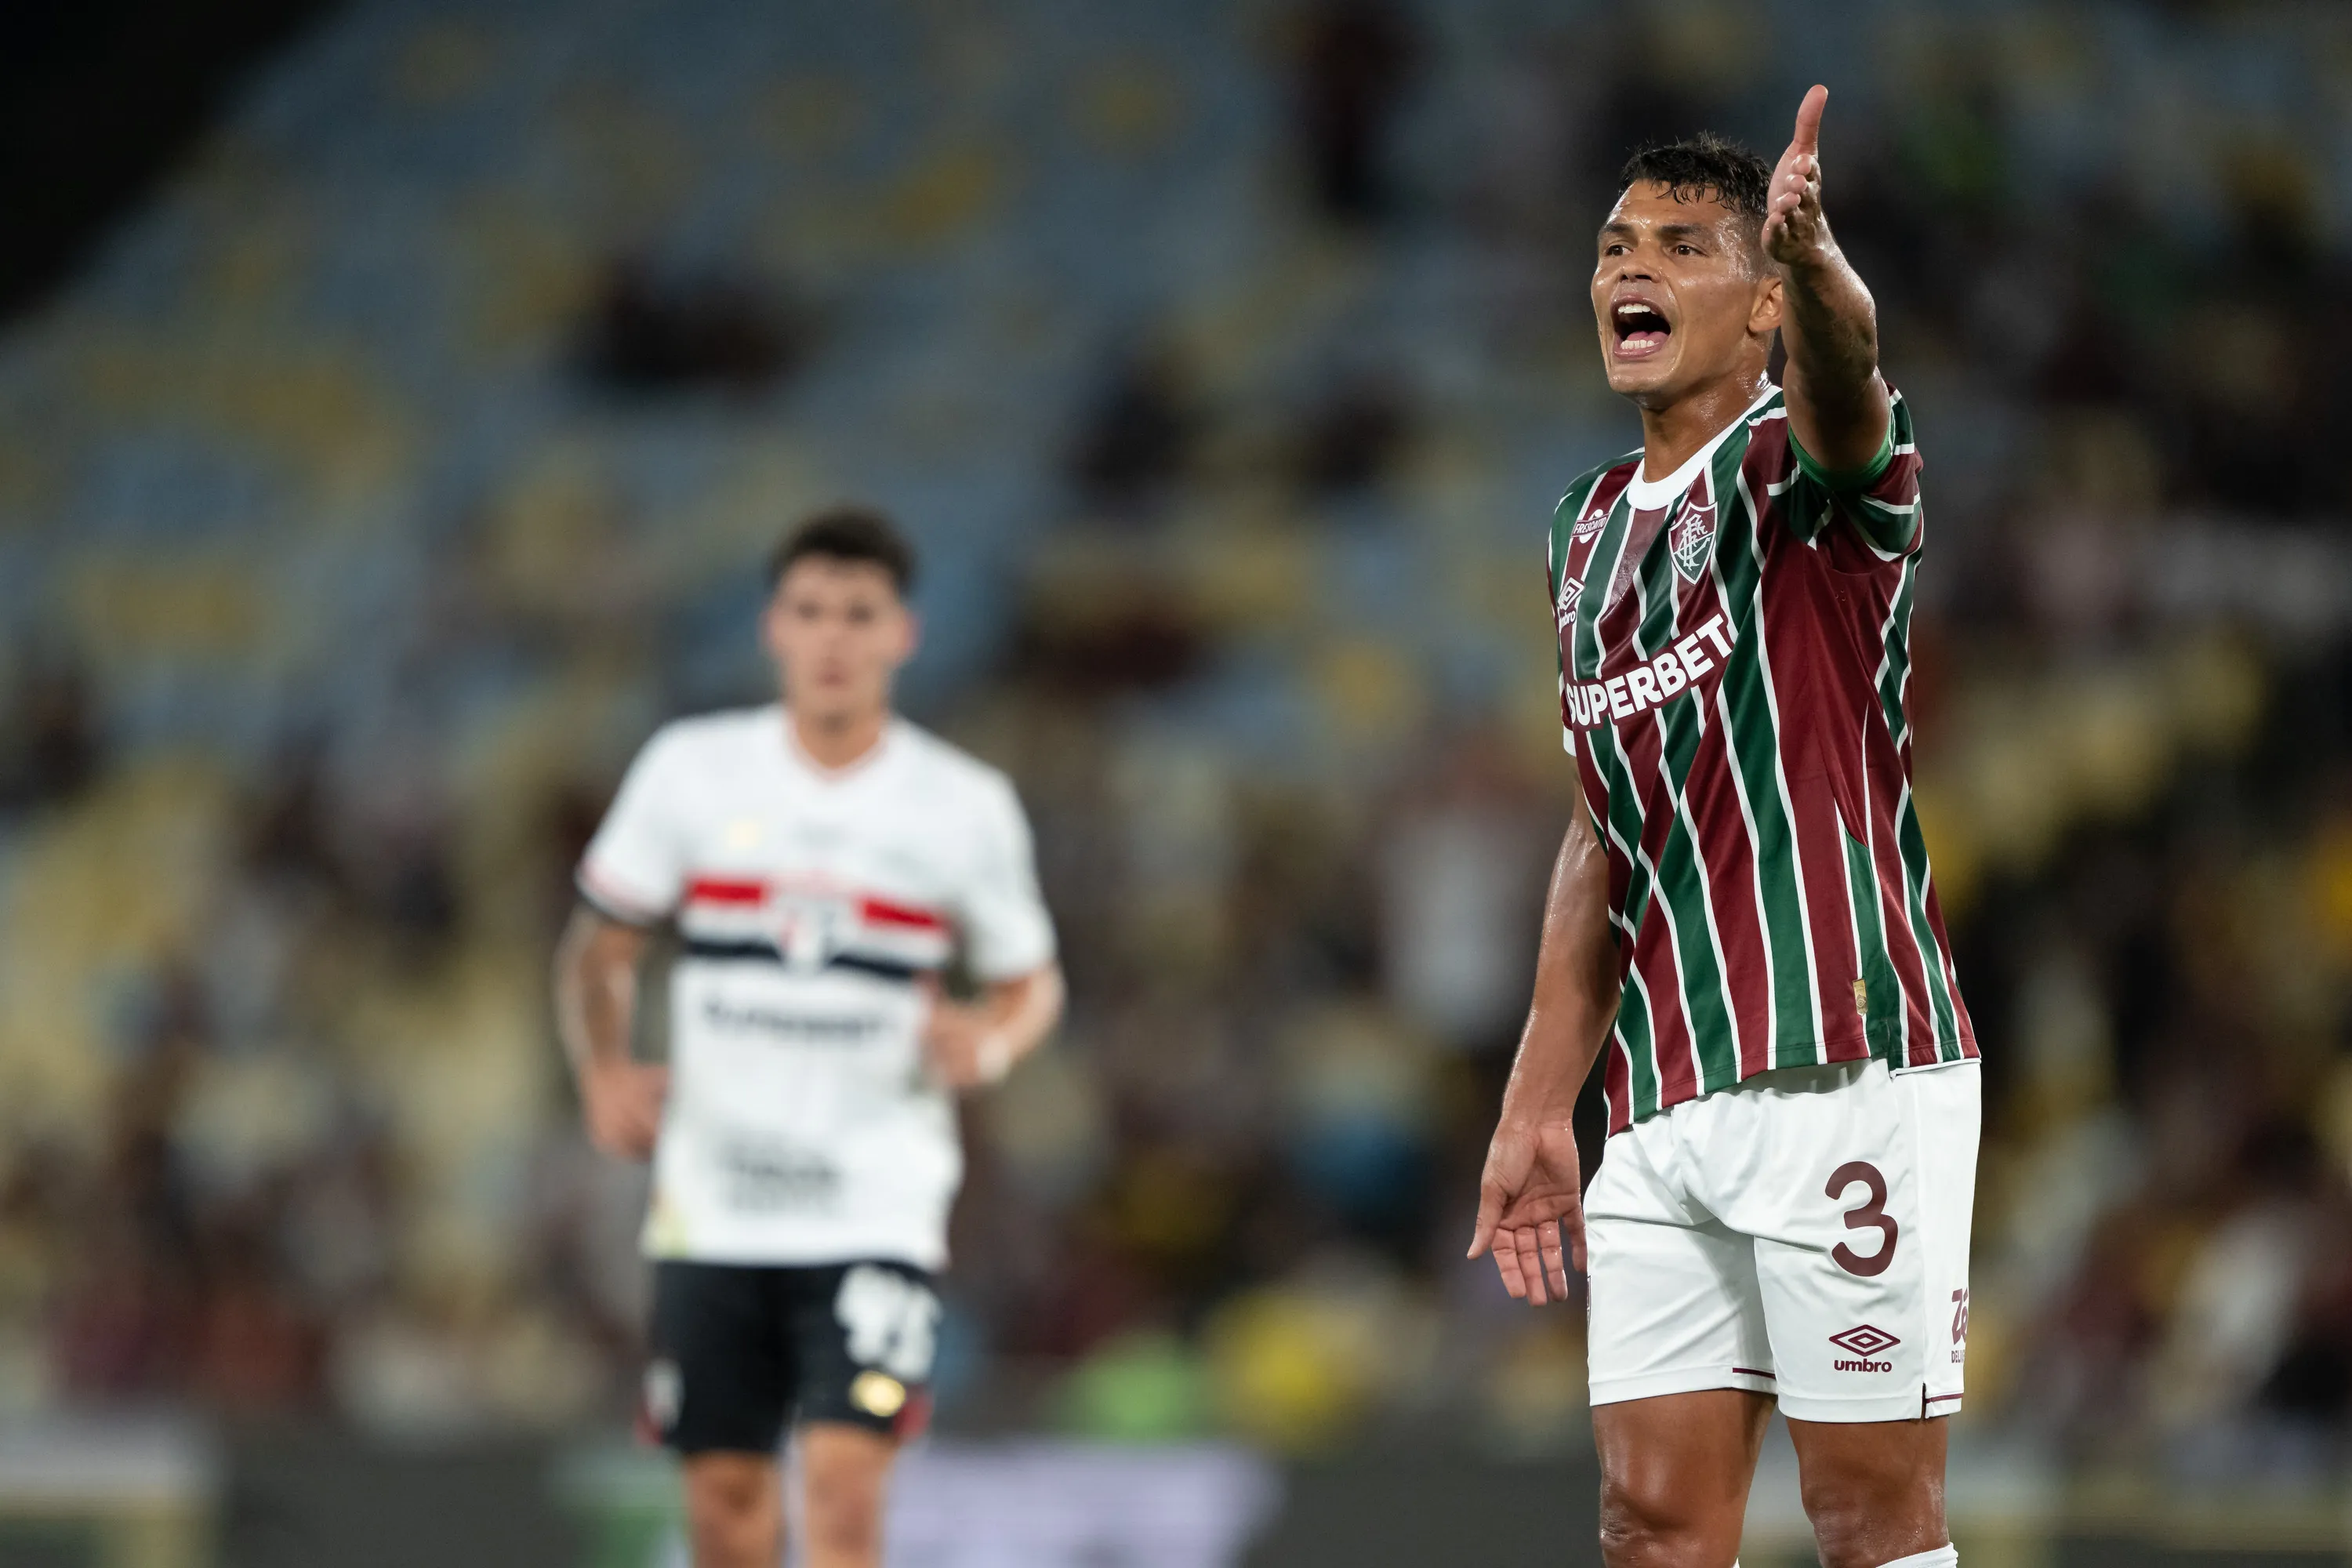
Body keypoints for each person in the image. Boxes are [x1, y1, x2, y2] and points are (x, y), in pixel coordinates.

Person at [1467, 89, 1980, 1568]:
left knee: (1869, 1518)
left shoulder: (1809, 472)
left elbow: (1851, 379)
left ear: (1758, 306)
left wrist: (1819, 262)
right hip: (1660, 1104)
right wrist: (1535, 1104)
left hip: (1845, 1067)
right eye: (1619, 243)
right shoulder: (1579, 529)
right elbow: (1601, 824)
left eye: (1686, 246)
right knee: (1651, 1524)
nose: (1634, 268)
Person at [554, 507, 1065, 1568]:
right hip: (716, 1204)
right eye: (811, 611)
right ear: (772, 627)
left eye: (859, 614)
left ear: (902, 635)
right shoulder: (690, 772)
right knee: (726, 1507)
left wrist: (994, 1043)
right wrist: (601, 1069)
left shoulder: (962, 806)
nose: (833, 636)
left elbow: (1031, 983)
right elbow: (600, 951)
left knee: (841, 1489)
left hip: (873, 1200)